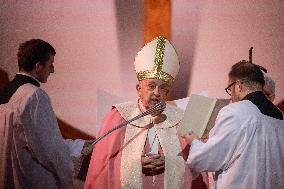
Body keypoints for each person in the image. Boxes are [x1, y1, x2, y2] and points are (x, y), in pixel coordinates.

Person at [84, 36, 208, 189]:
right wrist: (135, 165)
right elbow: (101, 167)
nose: (157, 92)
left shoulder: (180, 119)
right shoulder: (119, 117)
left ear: (167, 92)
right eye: (151, 86)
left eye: (163, 88)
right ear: (139, 89)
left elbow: (197, 167)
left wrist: (170, 163)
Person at [181, 60, 284, 189]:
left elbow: (205, 159)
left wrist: (194, 142)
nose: (231, 96)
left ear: (239, 85)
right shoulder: (281, 117)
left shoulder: (235, 112)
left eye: (230, 89)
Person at [0, 39, 81, 189]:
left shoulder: (5, 93)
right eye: (50, 65)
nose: (52, 70)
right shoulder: (34, 96)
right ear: (38, 67)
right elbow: (50, 150)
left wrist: (80, 145)